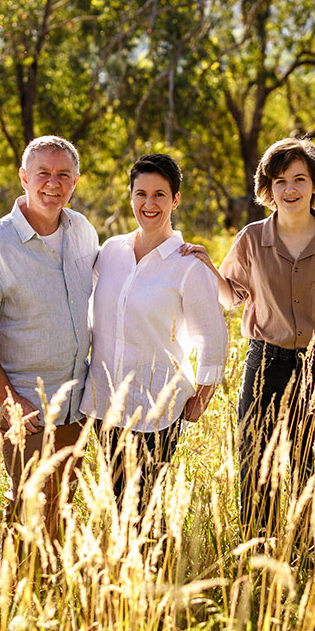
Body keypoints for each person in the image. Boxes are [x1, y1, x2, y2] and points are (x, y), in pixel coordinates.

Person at [183, 138, 315, 535]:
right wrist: (209, 266)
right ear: (268, 189)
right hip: (265, 366)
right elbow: (231, 297)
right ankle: (259, 553)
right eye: (280, 181)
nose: (290, 190)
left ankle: (313, 554)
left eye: (299, 179)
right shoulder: (250, 240)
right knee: (257, 464)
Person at [0, 135, 98, 544]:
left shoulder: (82, 231)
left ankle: (56, 598)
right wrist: (11, 401)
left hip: (77, 404)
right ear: (24, 178)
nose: (52, 183)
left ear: (75, 181)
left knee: (63, 510)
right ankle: (18, 598)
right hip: (26, 407)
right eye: (43, 173)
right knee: (29, 511)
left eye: (63, 175)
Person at [80, 153, 227, 514]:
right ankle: (130, 570)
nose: (149, 204)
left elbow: (214, 337)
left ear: (175, 200)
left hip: (155, 410)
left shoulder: (186, 264)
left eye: (160, 194)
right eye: (141, 193)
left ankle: (150, 570)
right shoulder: (111, 250)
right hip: (104, 404)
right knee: (121, 504)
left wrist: (201, 400)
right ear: (130, 196)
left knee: (143, 510)